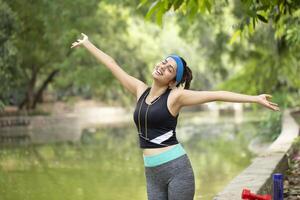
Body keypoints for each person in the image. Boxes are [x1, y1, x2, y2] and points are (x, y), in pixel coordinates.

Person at [71, 33, 280, 200]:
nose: (162, 66)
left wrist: (254, 98)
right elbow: (112, 64)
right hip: (151, 173)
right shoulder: (139, 90)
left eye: (169, 68)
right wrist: (88, 44)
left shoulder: (175, 97)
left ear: (173, 80)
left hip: (176, 170)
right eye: (164, 62)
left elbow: (215, 95)